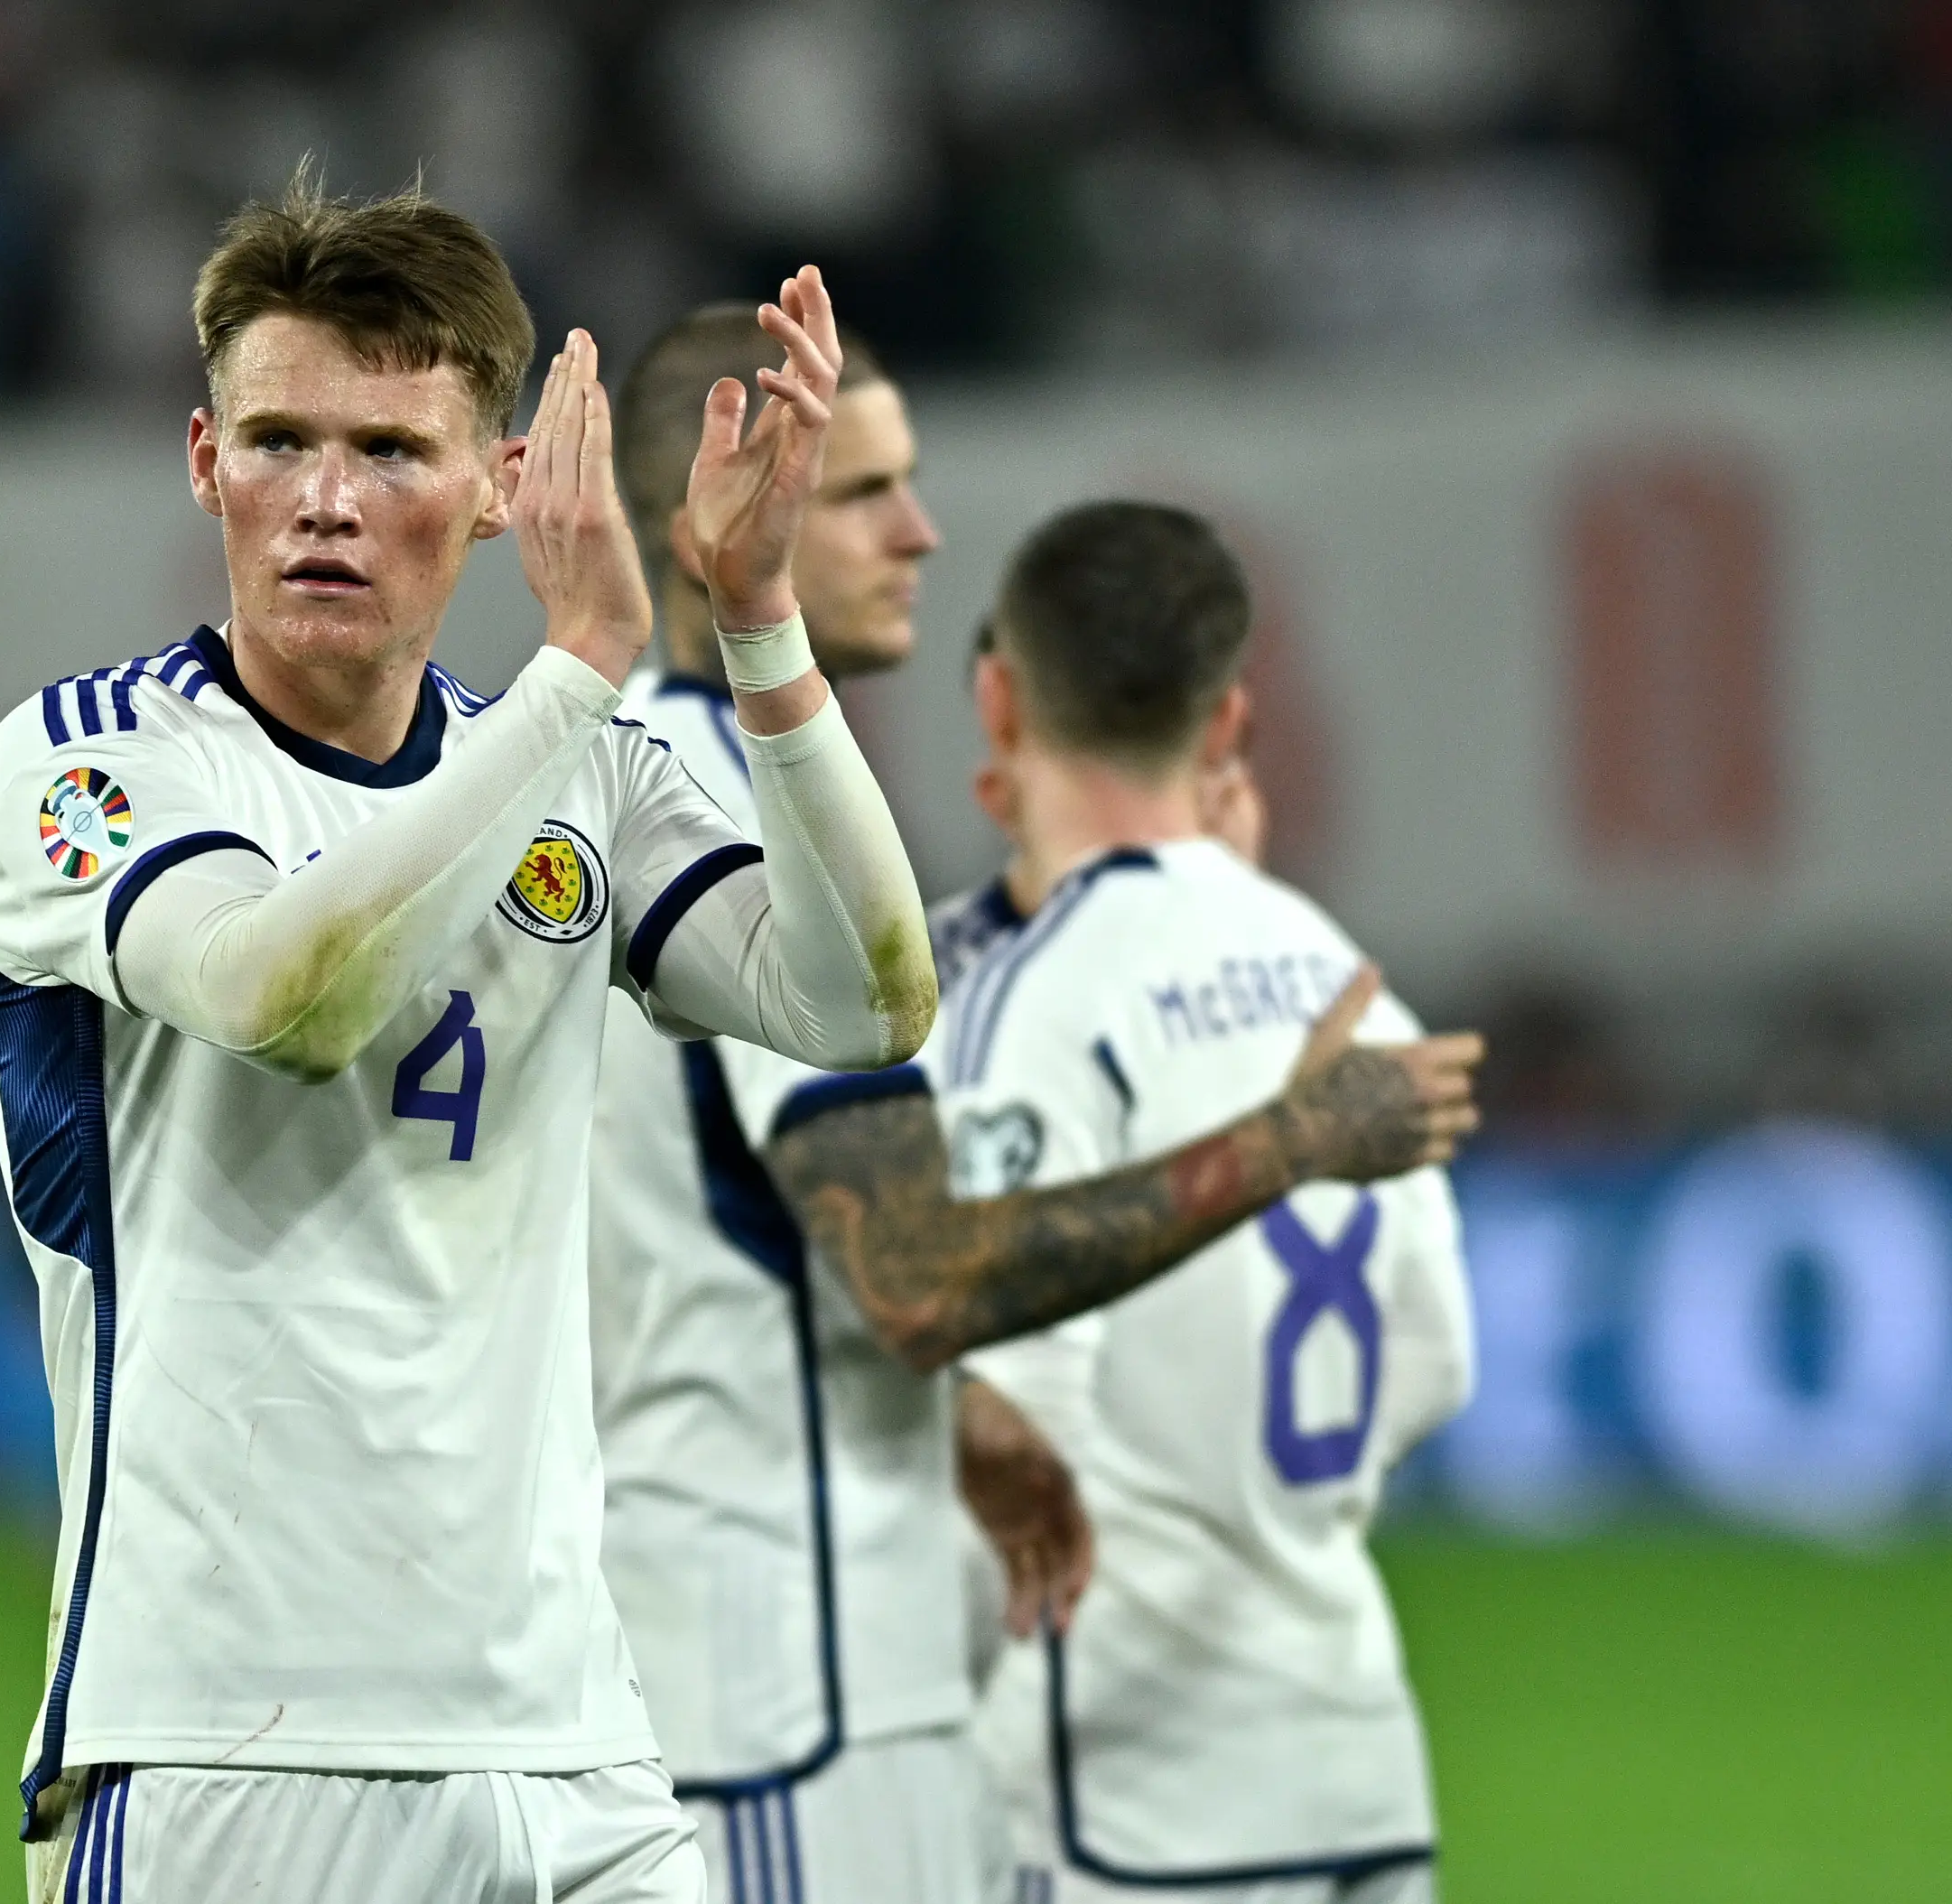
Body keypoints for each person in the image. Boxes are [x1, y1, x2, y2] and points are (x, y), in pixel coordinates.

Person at [0, 179, 936, 1904]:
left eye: (394, 452)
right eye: (278, 439)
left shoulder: (580, 774)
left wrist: (760, 616)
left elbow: (865, 999)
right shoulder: (92, 763)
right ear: (203, 463)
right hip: (228, 1743)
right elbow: (290, 993)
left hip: (573, 1742)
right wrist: (577, 675)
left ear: (501, 487)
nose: (325, 501)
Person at [589, 314, 1485, 1901]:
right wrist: (1288, 1140)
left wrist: (963, 1413)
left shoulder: (650, 771)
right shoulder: (720, 797)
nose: (920, 530)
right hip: (797, 1687)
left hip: (761, 1643)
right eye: (855, 488)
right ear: (712, 515)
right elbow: (921, 1270)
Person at [937, 503, 1477, 1904]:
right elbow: (1434, 1364)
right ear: (1228, 717)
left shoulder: (1035, 997)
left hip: (1130, 1786)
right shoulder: (1345, 977)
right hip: (1351, 1754)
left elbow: (1007, 1401)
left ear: (999, 699)